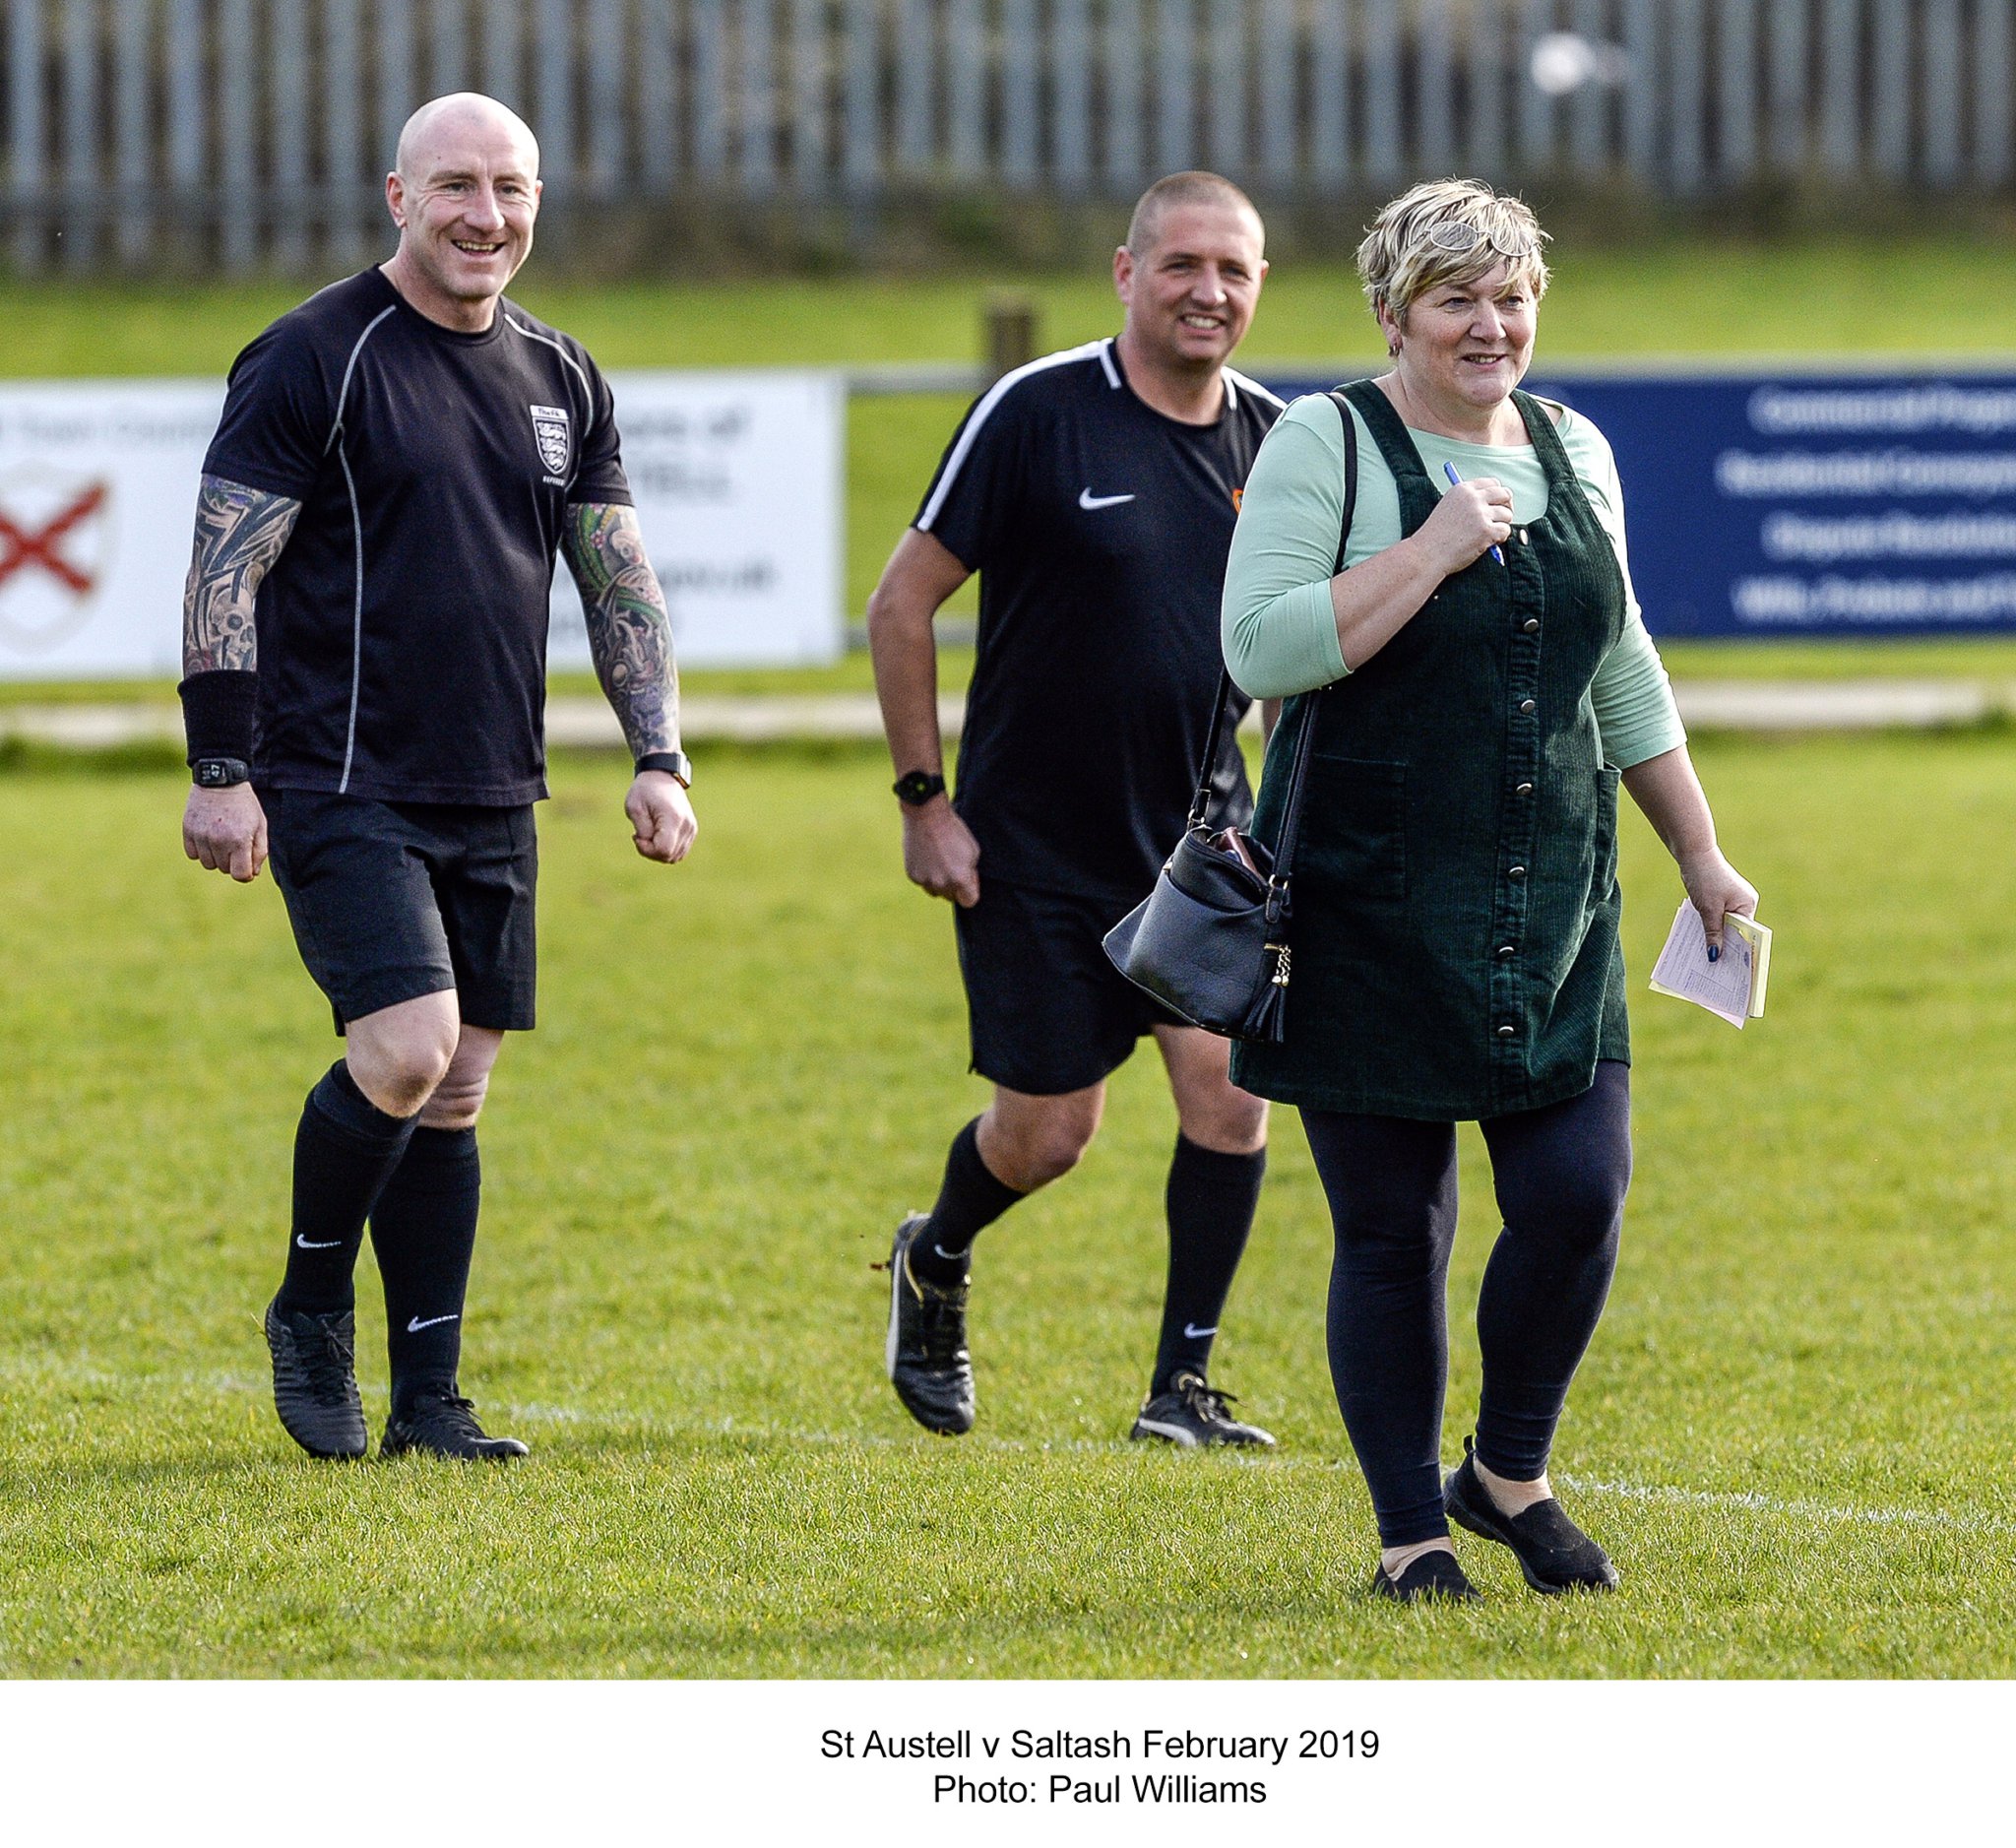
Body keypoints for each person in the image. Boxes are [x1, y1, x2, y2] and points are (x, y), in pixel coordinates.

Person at [1221, 178, 1758, 1599]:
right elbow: (1264, 649)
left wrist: (1698, 851)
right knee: (1394, 1230)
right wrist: (1431, 547)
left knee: (1580, 1195)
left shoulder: (1577, 446)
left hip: (1557, 896)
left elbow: (1622, 660)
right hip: (1363, 898)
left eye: (1511, 295)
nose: (1491, 323)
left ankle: (1505, 1472)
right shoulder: (1324, 444)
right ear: (1394, 312)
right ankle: (1411, 1532)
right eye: (1456, 297)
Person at [178, 93, 696, 1464]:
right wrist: (222, 769)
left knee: (457, 1088)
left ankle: (432, 1403)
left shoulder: (563, 375)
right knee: (403, 1049)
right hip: (337, 773)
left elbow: (618, 577)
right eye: (456, 185)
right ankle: (305, 1306)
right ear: (399, 197)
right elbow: (226, 566)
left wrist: (658, 753)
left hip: (493, 785)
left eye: (511, 188)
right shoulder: (313, 355)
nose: (487, 214)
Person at [867, 172, 1285, 1447]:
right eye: (1182, 266)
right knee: (1051, 1134)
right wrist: (925, 803)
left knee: (1232, 1098)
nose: (1208, 291)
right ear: (1126, 272)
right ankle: (934, 1260)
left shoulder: (1277, 439)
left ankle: (1183, 1390)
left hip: (1204, 851)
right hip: (1032, 851)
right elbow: (900, 605)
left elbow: (1299, 642)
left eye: (1235, 270)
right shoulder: (1039, 411)